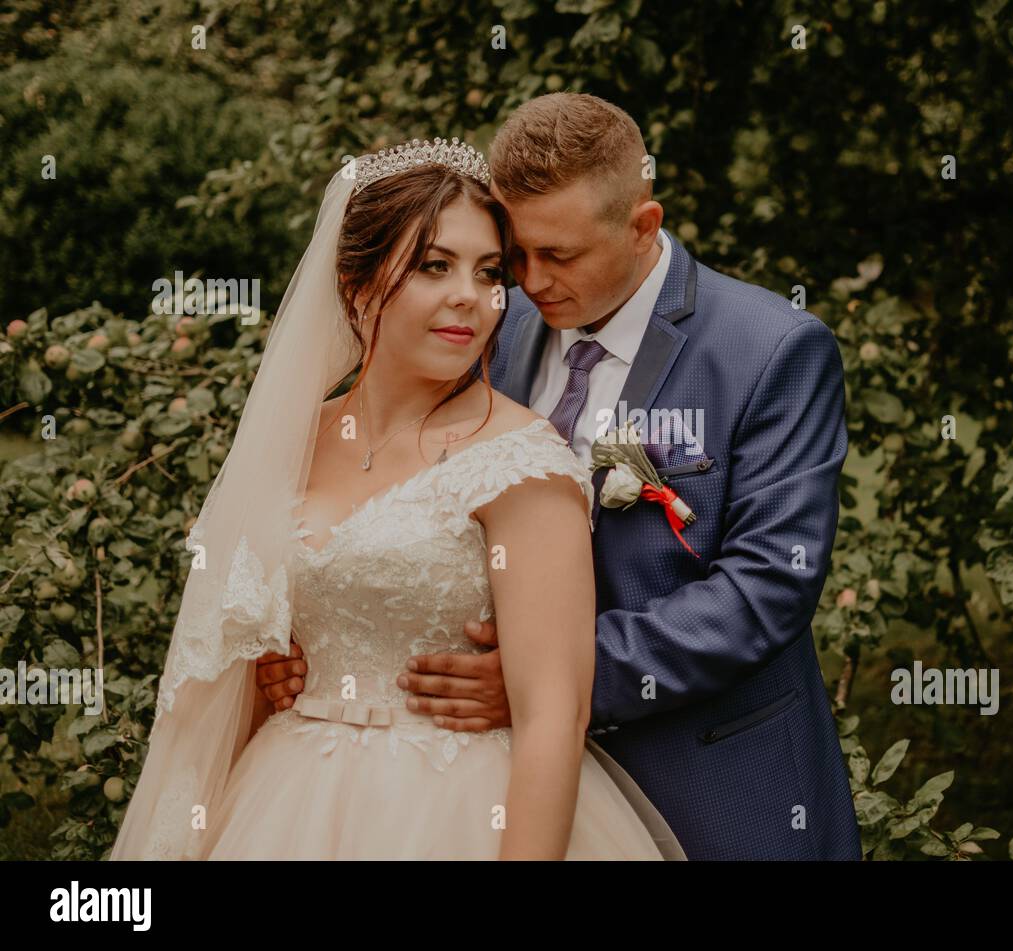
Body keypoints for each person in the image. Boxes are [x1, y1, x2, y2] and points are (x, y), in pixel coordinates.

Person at [260, 94, 861, 861]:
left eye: (560, 255)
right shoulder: (481, 322)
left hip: (706, 771)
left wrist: (554, 677)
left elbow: (769, 584)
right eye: (516, 254)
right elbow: (393, 484)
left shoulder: (770, 351)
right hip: (469, 784)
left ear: (644, 225)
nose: (530, 283)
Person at [110, 135, 684, 860]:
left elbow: (553, 718)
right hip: (284, 801)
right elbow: (229, 655)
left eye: (486, 272)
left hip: (460, 809)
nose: (468, 298)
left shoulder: (519, 462)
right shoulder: (293, 438)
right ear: (355, 283)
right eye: (433, 266)